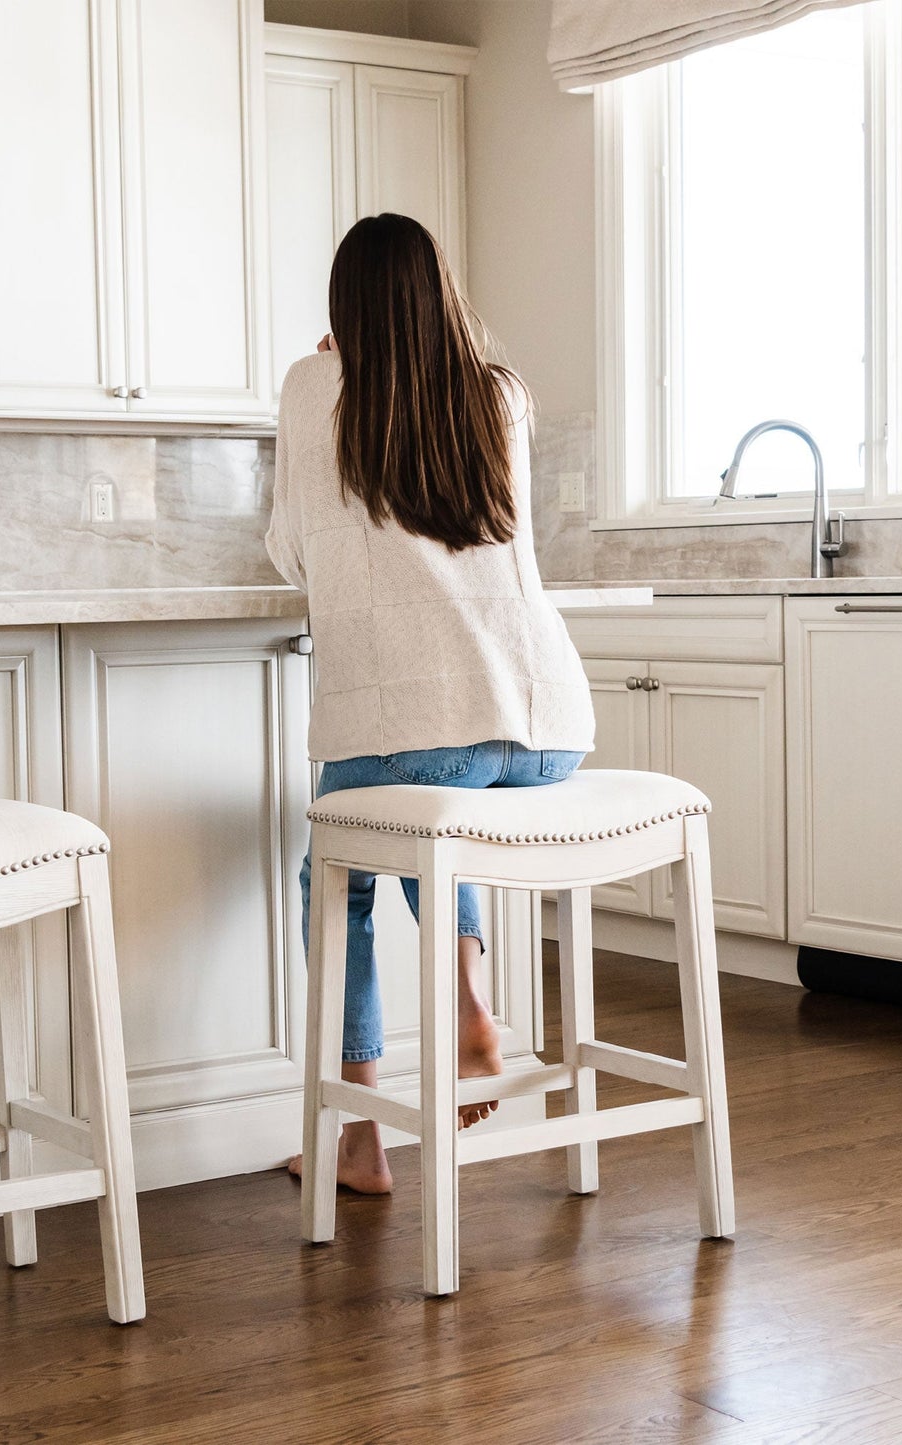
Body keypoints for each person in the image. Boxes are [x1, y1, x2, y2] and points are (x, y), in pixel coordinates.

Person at [266, 213, 596, 1195]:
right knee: (426, 798)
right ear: (441, 296)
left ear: (342, 309)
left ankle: (362, 1139)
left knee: (340, 874)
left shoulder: (311, 386)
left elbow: (289, 549)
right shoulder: (499, 394)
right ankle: (466, 992)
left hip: (422, 729)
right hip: (546, 728)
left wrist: (326, 372)